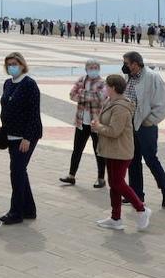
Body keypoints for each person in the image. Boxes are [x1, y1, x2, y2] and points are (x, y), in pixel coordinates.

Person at [91, 74, 150, 231]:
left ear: (114, 88)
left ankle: (141, 209)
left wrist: (98, 128)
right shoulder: (111, 102)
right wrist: (97, 124)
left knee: (118, 183)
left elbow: (115, 131)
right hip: (111, 150)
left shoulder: (121, 107)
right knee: (114, 184)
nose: (105, 89)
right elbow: (106, 123)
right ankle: (115, 218)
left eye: (107, 86)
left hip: (120, 150)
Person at [122, 52, 165, 208]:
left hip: (146, 127)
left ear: (135, 64)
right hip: (130, 126)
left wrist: (149, 121)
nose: (124, 66)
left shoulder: (152, 78)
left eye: (126, 63)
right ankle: (136, 195)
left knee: (151, 160)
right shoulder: (129, 77)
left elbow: (162, 104)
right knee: (133, 161)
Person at [0, 52, 43, 225]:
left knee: (16, 172)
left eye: (14, 63)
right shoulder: (8, 83)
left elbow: (34, 113)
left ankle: (16, 212)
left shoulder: (29, 84)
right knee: (20, 171)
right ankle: (29, 209)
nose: (12, 67)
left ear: (22, 65)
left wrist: (27, 138)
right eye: (9, 64)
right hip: (10, 135)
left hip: (25, 137)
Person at [63, 60, 107, 188]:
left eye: (95, 68)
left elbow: (101, 98)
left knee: (98, 151)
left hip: (96, 123)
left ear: (98, 69)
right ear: (86, 69)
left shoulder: (102, 83)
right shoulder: (81, 80)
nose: (93, 70)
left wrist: (82, 93)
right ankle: (71, 176)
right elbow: (72, 95)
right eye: (90, 67)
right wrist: (90, 95)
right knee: (77, 149)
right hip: (81, 121)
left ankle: (101, 178)